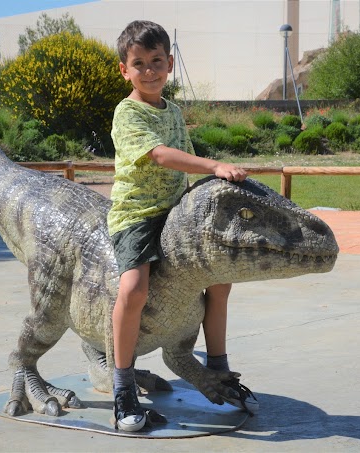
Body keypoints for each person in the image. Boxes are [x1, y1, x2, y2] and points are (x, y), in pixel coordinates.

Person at [108, 19, 258, 432]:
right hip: (137, 215)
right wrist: (214, 165)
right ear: (125, 70)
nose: (150, 70)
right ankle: (122, 387)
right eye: (139, 63)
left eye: (157, 61)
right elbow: (160, 156)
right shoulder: (126, 112)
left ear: (170, 63)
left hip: (175, 213)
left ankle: (220, 369)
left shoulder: (172, 110)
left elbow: (182, 164)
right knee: (134, 289)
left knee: (221, 281)